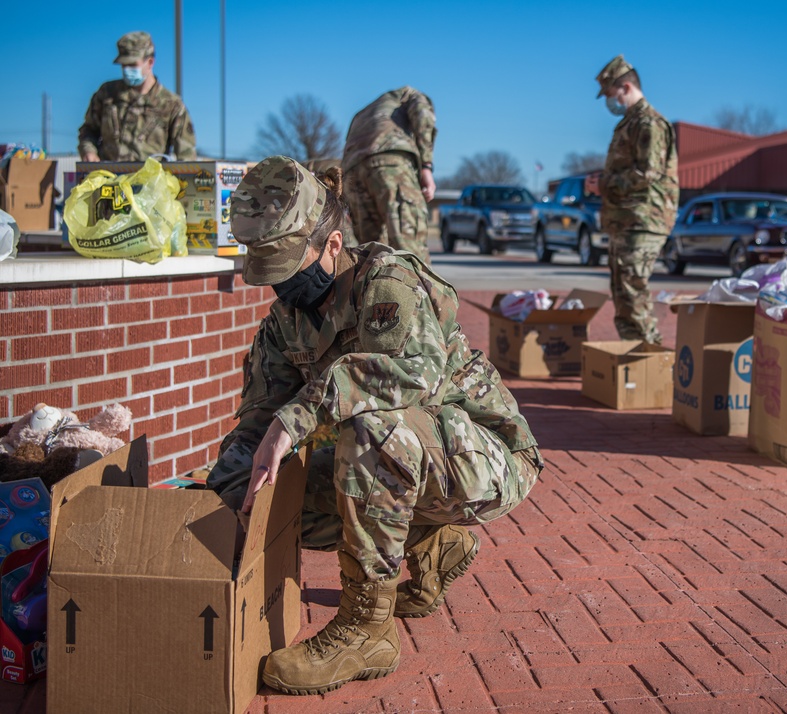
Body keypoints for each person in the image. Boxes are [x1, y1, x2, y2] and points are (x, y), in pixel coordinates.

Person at [207, 155, 542, 695]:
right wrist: (229, 481)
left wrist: (296, 419)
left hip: (487, 456)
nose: (279, 286)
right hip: (413, 464)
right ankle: (433, 544)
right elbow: (258, 418)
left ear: (332, 245)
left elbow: (410, 376)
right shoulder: (283, 322)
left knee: (371, 433)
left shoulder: (390, 282)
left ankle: (367, 629)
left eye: (289, 266)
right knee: (245, 482)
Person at [585, 55, 679, 345]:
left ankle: (651, 361)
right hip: (626, 220)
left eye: (611, 95)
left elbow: (647, 173)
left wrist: (603, 184)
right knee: (623, 293)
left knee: (632, 290)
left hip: (643, 219)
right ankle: (634, 363)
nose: (609, 102)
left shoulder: (649, 123)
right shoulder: (631, 122)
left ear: (625, 87)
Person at [341, 86, 437, 263]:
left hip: (352, 171)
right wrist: (426, 166)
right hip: (390, 161)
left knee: (371, 254)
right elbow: (423, 115)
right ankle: (418, 290)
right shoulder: (409, 94)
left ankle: (373, 290)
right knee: (410, 250)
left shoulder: (362, 114)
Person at [78, 31, 197, 162]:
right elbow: (88, 130)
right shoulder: (107, 94)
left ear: (150, 62)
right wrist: (88, 151)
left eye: (133, 65)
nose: (127, 70)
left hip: (149, 180)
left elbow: (186, 155)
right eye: (124, 65)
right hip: (109, 178)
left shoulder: (171, 105)